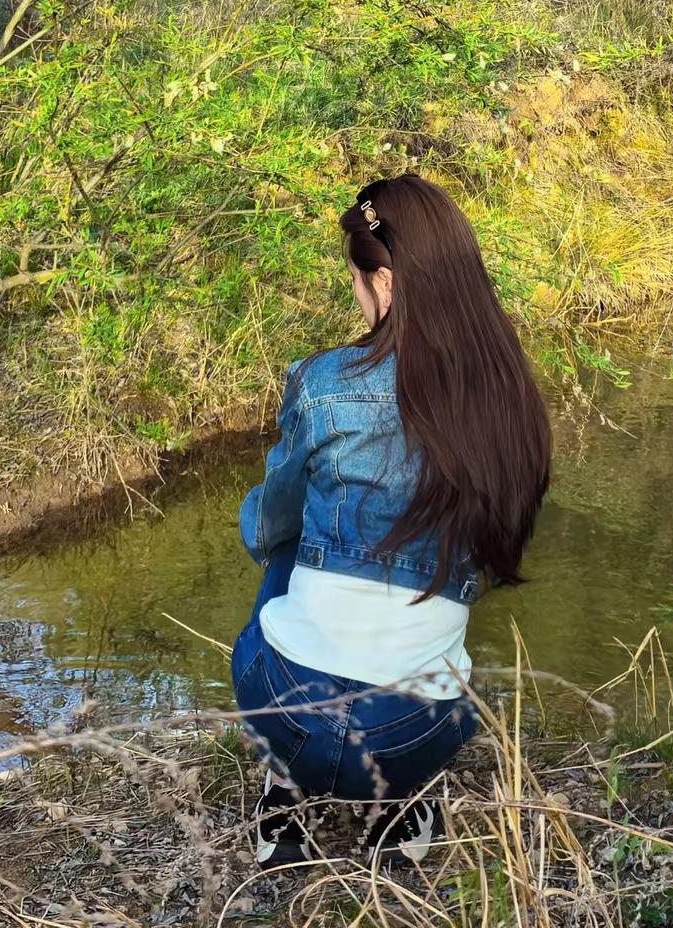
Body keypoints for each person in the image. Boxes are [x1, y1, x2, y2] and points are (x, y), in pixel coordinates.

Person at [230, 173, 552, 869]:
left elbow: (266, 528)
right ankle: (401, 804)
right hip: (416, 734)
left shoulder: (322, 381)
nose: (355, 294)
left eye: (354, 279)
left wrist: (280, 526)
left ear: (386, 283)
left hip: (288, 716)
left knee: (288, 539)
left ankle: (285, 792)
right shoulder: (507, 397)